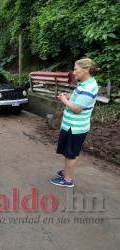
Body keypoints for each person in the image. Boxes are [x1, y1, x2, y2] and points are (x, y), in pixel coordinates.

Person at [50, 58, 99, 187]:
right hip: (72, 126)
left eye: (76, 69)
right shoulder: (84, 83)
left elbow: (77, 109)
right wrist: (69, 97)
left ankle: (67, 180)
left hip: (75, 127)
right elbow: (78, 101)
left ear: (86, 69)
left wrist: (64, 100)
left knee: (70, 153)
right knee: (68, 152)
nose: (73, 72)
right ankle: (67, 172)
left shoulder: (88, 87)